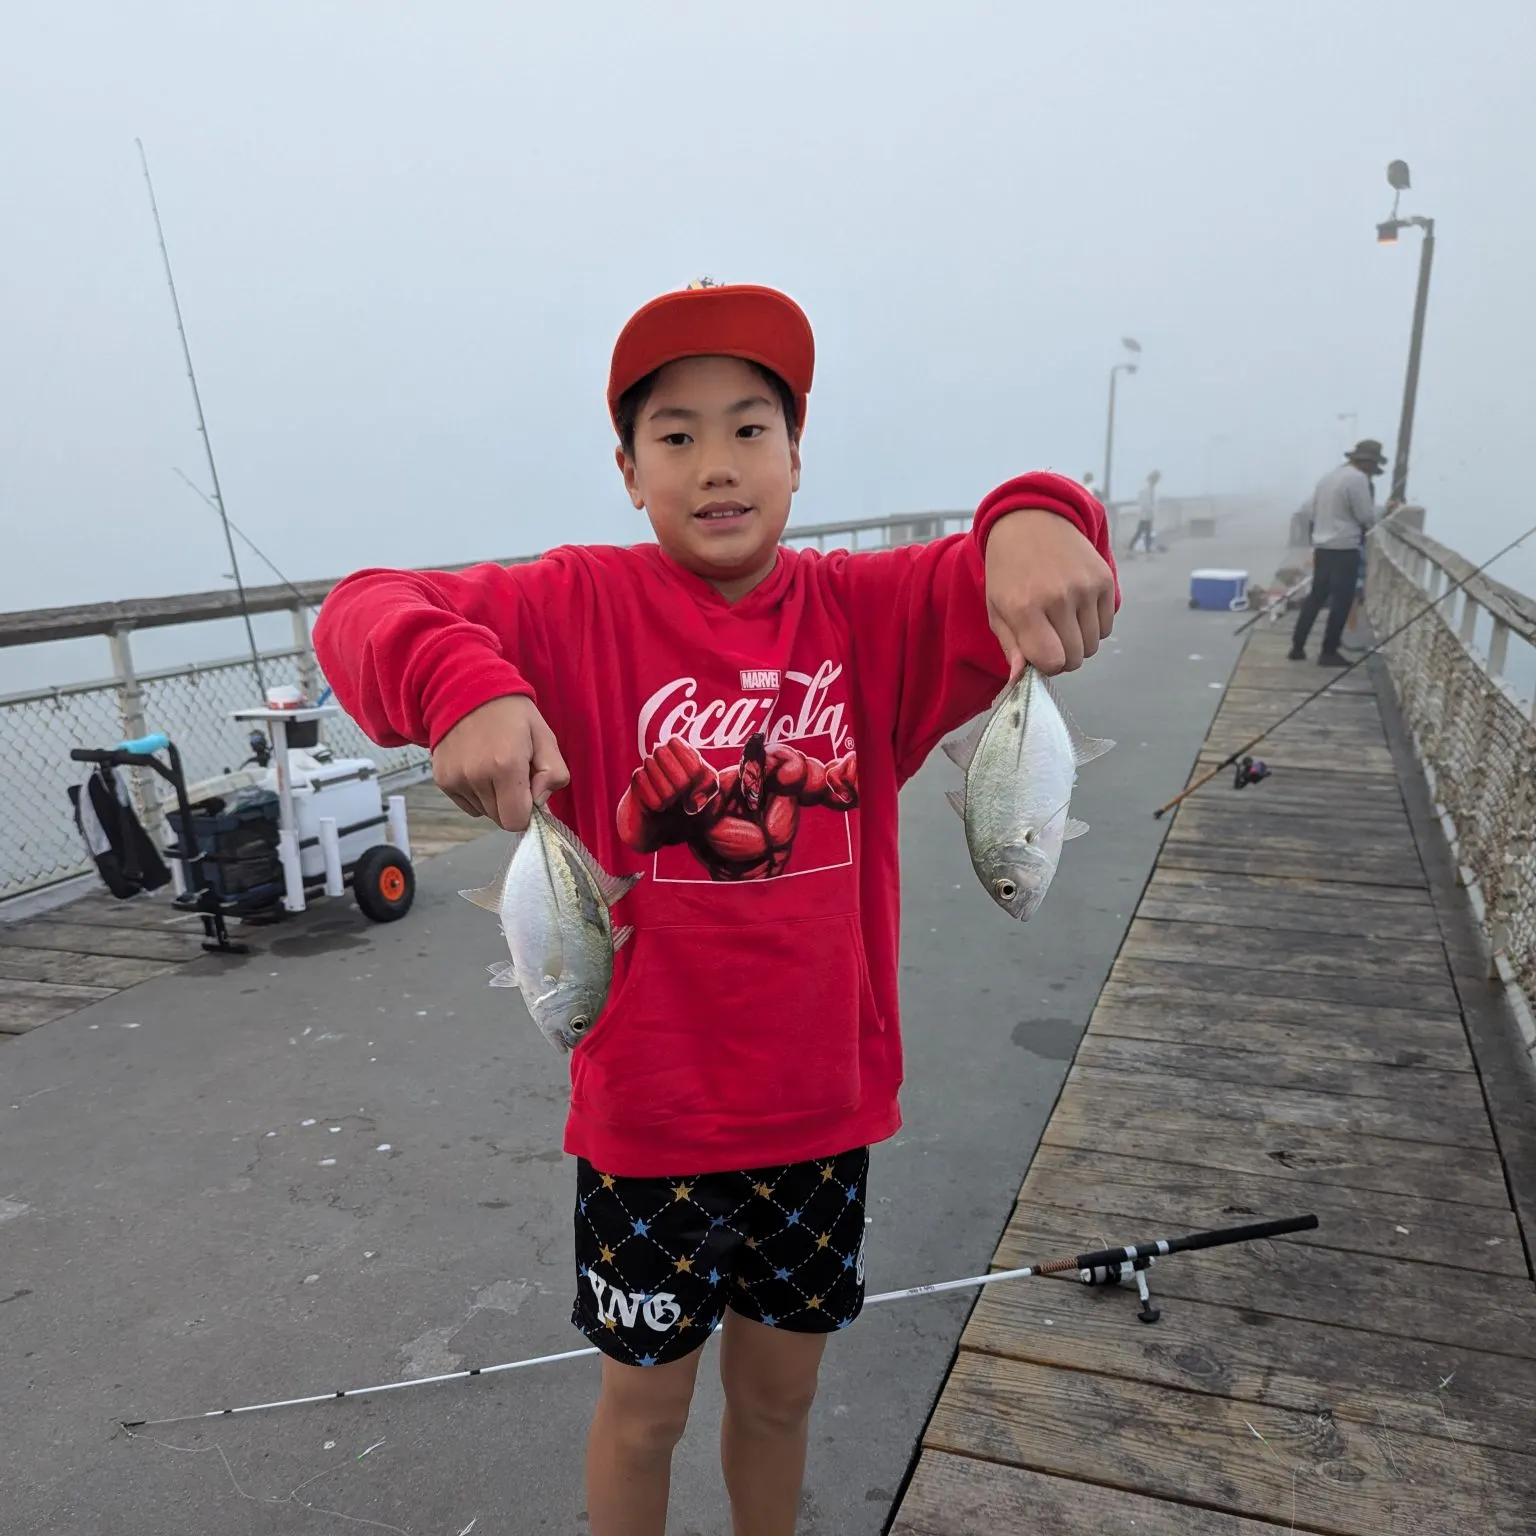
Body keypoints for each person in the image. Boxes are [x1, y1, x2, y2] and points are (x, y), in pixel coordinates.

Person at [313, 280, 1119, 1536]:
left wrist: (1033, 517)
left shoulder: (865, 617)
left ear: (799, 455)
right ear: (629, 471)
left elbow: (1019, 550)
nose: (717, 464)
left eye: (751, 425)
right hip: (651, 1128)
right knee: (644, 1417)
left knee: (782, 1404)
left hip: (824, 1114)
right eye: (675, 435)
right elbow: (361, 608)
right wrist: (457, 684)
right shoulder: (572, 606)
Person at [1289, 439, 1386, 666]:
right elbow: (1366, 517)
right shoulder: (1358, 479)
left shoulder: (1329, 477)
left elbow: (1312, 510)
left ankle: (1297, 647)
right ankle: (1328, 652)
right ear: (1369, 463)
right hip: (1344, 548)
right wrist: (1385, 513)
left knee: (1316, 597)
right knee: (1341, 602)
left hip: (1322, 545)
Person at [1127, 469, 1161, 554]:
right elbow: (1146, 503)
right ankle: (1133, 547)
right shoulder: (1147, 488)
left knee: (1145, 532)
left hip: (1146, 514)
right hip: (1145, 514)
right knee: (1143, 532)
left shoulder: (1148, 487)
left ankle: (1143, 549)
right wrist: (1151, 512)